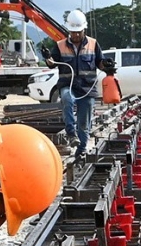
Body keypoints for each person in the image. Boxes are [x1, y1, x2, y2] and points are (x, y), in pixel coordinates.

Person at [48, 9, 104, 161]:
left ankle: (81, 150)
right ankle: (71, 133)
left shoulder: (93, 44)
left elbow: (100, 62)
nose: (76, 35)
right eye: (73, 32)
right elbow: (52, 63)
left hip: (87, 88)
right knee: (66, 98)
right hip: (68, 85)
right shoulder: (60, 45)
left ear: (84, 29)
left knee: (84, 124)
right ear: (69, 30)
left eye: (78, 32)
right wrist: (48, 58)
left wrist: (107, 66)